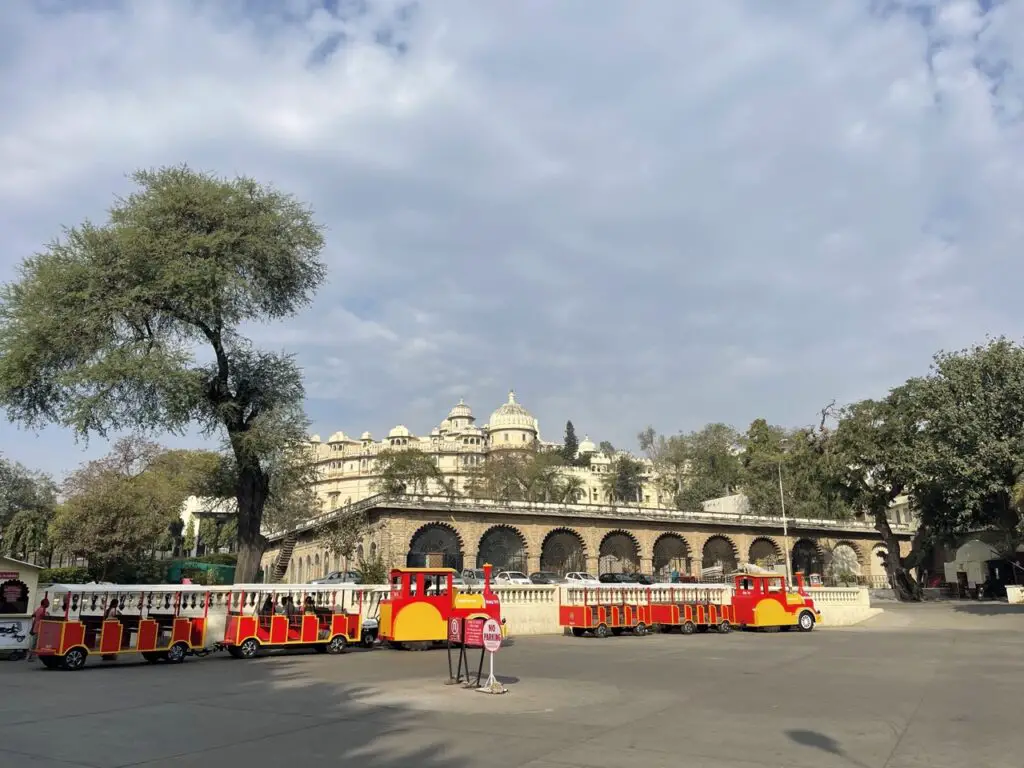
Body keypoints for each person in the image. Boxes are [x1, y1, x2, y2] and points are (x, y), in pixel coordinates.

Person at [26, 597, 49, 662]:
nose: (48, 604)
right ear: (45, 603)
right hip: (40, 627)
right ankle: (32, 656)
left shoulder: (38, 609)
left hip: (36, 627)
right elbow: (46, 617)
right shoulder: (43, 610)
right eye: (48, 603)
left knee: (34, 642)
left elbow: (33, 615)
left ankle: (30, 656)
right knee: (37, 642)